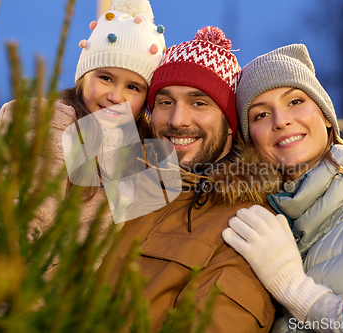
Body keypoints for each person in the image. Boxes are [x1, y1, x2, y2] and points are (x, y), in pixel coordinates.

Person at [222, 43, 343, 332]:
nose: (281, 121)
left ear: (326, 115)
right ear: (251, 140)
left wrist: (297, 291)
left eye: (295, 102)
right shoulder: (262, 218)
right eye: (261, 115)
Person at [109, 26, 279, 332]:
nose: (177, 120)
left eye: (199, 103)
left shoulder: (245, 223)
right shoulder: (119, 179)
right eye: (165, 102)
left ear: (230, 126)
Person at [0, 0, 165, 272]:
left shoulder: (137, 151)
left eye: (133, 87)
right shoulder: (51, 130)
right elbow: (24, 230)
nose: (115, 96)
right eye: (106, 78)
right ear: (82, 77)